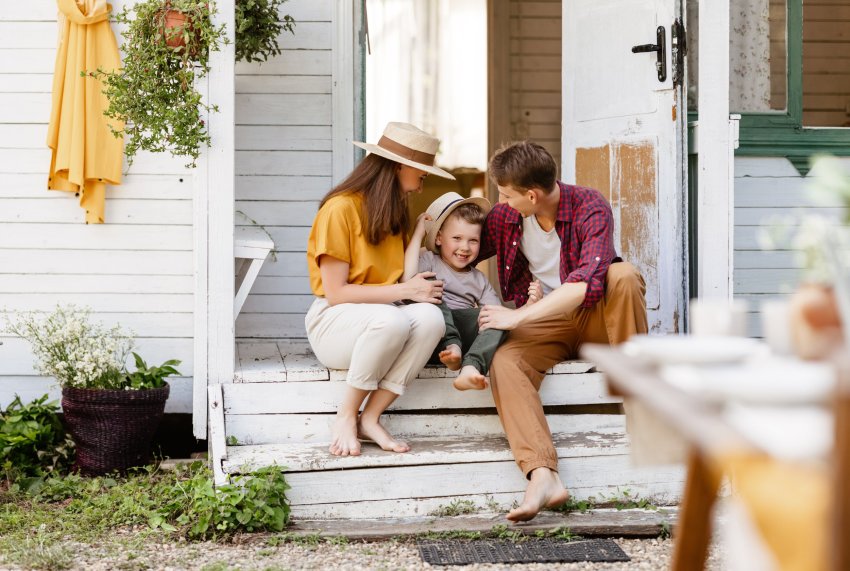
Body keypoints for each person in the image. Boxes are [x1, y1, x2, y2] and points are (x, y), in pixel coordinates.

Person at [476, 141, 648, 522]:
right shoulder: (507, 219)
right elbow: (461, 247)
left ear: (532, 195)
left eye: (506, 195)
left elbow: (585, 284)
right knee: (505, 361)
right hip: (547, 323)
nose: (501, 202)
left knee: (621, 274)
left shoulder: (589, 205)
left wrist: (515, 318)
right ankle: (542, 475)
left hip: (593, 316)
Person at [305, 122, 452, 457]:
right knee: (393, 319)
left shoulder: (394, 212)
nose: (419, 187)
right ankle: (346, 415)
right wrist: (406, 292)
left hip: (380, 320)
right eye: (422, 176)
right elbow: (337, 293)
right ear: (400, 166)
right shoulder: (340, 209)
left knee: (431, 318)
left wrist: (417, 236)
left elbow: (403, 283)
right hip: (333, 323)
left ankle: (370, 418)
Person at [402, 192, 528, 391]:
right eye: (457, 238)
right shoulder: (428, 261)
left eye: (473, 241)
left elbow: (498, 316)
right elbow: (407, 280)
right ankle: (452, 344)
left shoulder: (478, 279)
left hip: (460, 346)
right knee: (426, 285)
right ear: (439, 239)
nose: (465, 247)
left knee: (494, 316)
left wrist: (529, 307)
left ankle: (470, 367)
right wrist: (419, 234)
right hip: (430, 336)